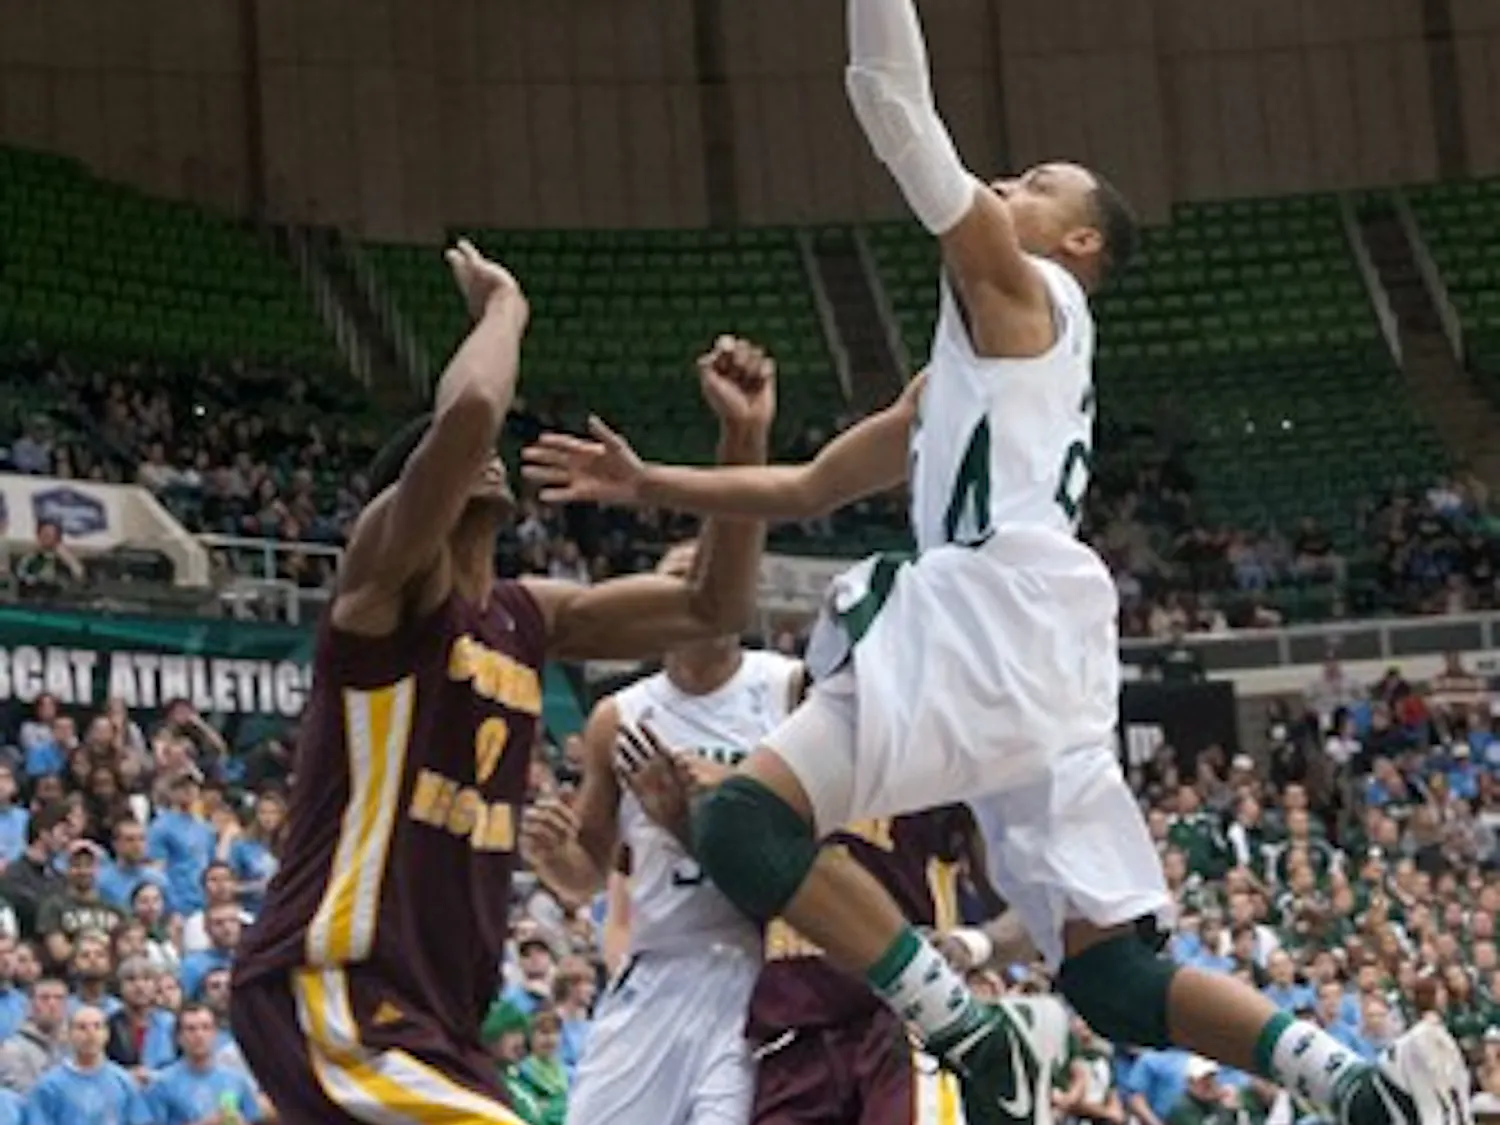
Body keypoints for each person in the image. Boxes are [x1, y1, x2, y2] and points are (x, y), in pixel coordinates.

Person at [520, 3, 1470, 1124]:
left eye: (1037, 183)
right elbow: (812, 486)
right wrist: (651, 482)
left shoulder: (1025, 292)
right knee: (1110, 975)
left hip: (986, 612)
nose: (1010, 183)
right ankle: (1357, 1087)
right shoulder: (980, 362)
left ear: (1079, 244)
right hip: (1046, 642)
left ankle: (969, 1030)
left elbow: (895, 107)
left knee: (743, 825)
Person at [229, 240, 773, 1125]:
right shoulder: (385, 599)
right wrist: (504, 307)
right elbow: (474, 407)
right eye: (443, 457)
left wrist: (741, 442)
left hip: (444, 1016)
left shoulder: (526, 616)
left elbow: (712, 604)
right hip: (339, 984)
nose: (483, 456)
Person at [521, 541, 803, 1125]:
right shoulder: (618, 716)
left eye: (713, 578)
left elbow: (821, 843)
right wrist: (551, 856)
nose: (697, 594)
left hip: (759, 968)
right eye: (678, 583)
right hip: (658, 964)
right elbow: (585, 875)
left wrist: (712, 807)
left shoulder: (788, 688)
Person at [22, 1005, 151, 1125]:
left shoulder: (123, 1081)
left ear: (107, 1034)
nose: (90, 1033)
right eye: (82, 1027)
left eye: (97, 1026)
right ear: (69, 1034)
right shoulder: (49, 1086)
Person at [147, 1003, 262, 1123]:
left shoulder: (237, 1080)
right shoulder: (162, 1083)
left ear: (215, 1034)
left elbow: (254, 1119)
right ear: (178, 1037)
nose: (199, 1035)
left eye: (206, 1028)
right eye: (191, 1029)